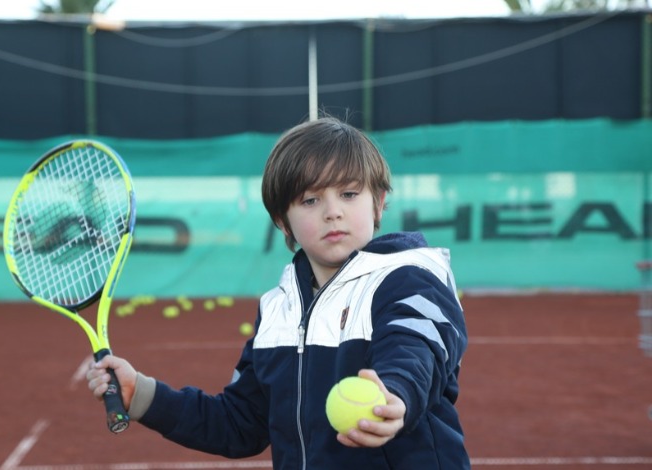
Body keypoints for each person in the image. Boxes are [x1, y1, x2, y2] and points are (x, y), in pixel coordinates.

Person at [88, 116, 470, 469]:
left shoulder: (409, 277)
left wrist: (395, 394)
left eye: (349, 194)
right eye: (310, 200)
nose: (332, 211)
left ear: (380, 202)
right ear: (281, 221)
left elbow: (416, 346)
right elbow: (240, 424)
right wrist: (143, 395)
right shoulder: (277, 310)